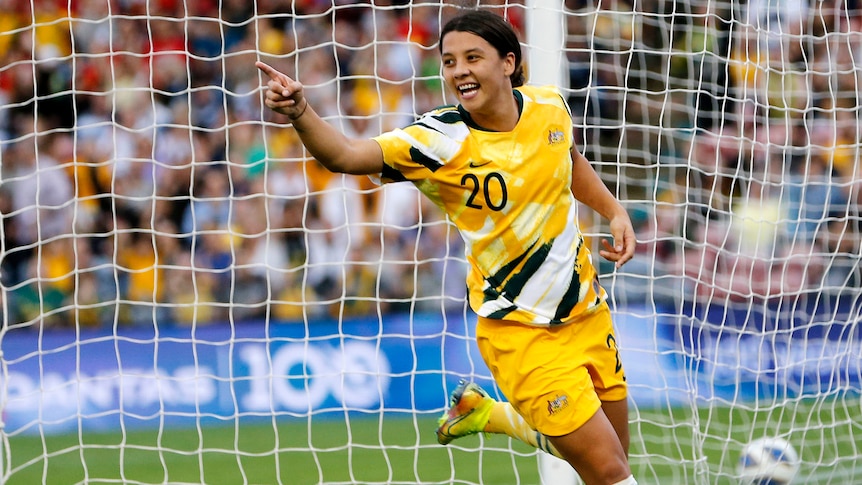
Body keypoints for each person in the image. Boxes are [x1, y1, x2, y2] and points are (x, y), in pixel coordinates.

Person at [257, 8, 637, 485]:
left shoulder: (548, 107)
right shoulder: (438, 140)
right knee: (609, 472)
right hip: (519, 330)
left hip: (587, 313)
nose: (459, 70)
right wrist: (301, 112)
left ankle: (487, 415)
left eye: (472, 57)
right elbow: (345, 156)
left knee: (612, 459)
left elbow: (568, 159)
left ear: (508, 63)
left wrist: (614, 211)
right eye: (449, 60)